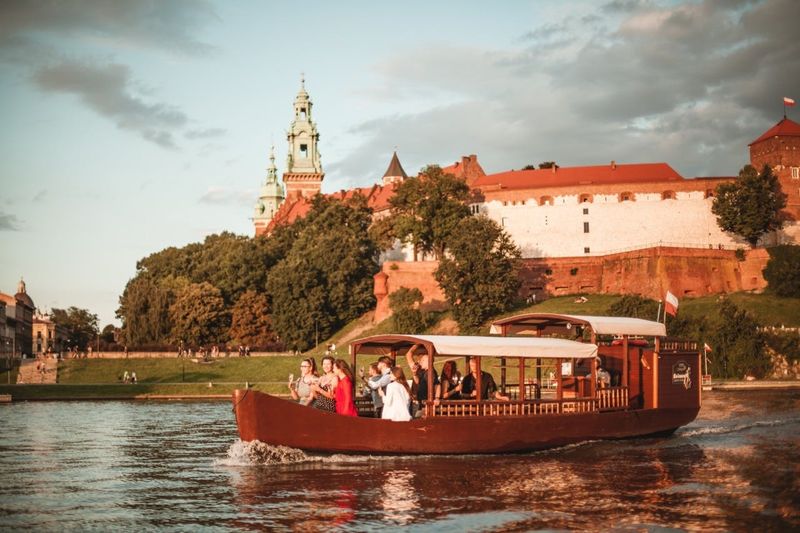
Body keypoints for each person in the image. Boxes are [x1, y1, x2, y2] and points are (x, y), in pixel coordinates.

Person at [405, 343, 439, 414]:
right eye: (420, 360)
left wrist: (436, 398)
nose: (419, 362)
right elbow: (418, 382)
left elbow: (437, 385)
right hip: (420, 401)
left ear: (428, 361)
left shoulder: (431, 372)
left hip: (426, 403)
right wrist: (414, 374)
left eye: (422, 360)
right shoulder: (421, 370)